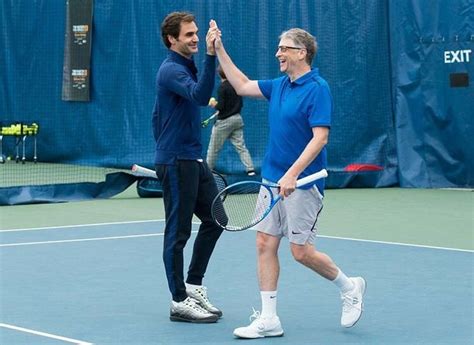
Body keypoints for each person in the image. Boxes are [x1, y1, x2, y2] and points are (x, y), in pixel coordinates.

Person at [212, 25, 366, 338]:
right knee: (264, 243)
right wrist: (219, 49)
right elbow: (240, 85)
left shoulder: (318, 88)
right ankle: (269, 319)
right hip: (272, 179)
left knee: (301, 252)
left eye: (284, 48)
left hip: (304, 182)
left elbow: (320, 138)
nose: (278, 53)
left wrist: (293, 173)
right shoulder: (280, 85)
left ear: (302, 53)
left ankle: (350, 287)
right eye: (279, 47)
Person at [152, 12, 224, 323]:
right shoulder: (171, 70)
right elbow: (200, 95)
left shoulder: (185, 67)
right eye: (188, 35)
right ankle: (178, 300)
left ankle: (193, 284)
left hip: (191, 159)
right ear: (172, 39)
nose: (195, 38)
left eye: (196, 33)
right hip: (177, 162)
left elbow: (157, 117)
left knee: (216, 219)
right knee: (178, 232)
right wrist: (210, 54)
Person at [206, 65, 256, 176]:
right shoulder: (236, 85)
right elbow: (239, 104)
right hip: (237, 119)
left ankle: (207, 171)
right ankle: (250, 170)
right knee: (241, 146)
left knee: (213, 148)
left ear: (219, 75)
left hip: (224, 122)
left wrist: (214, 104)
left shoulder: (222, 87)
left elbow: (221, 106)